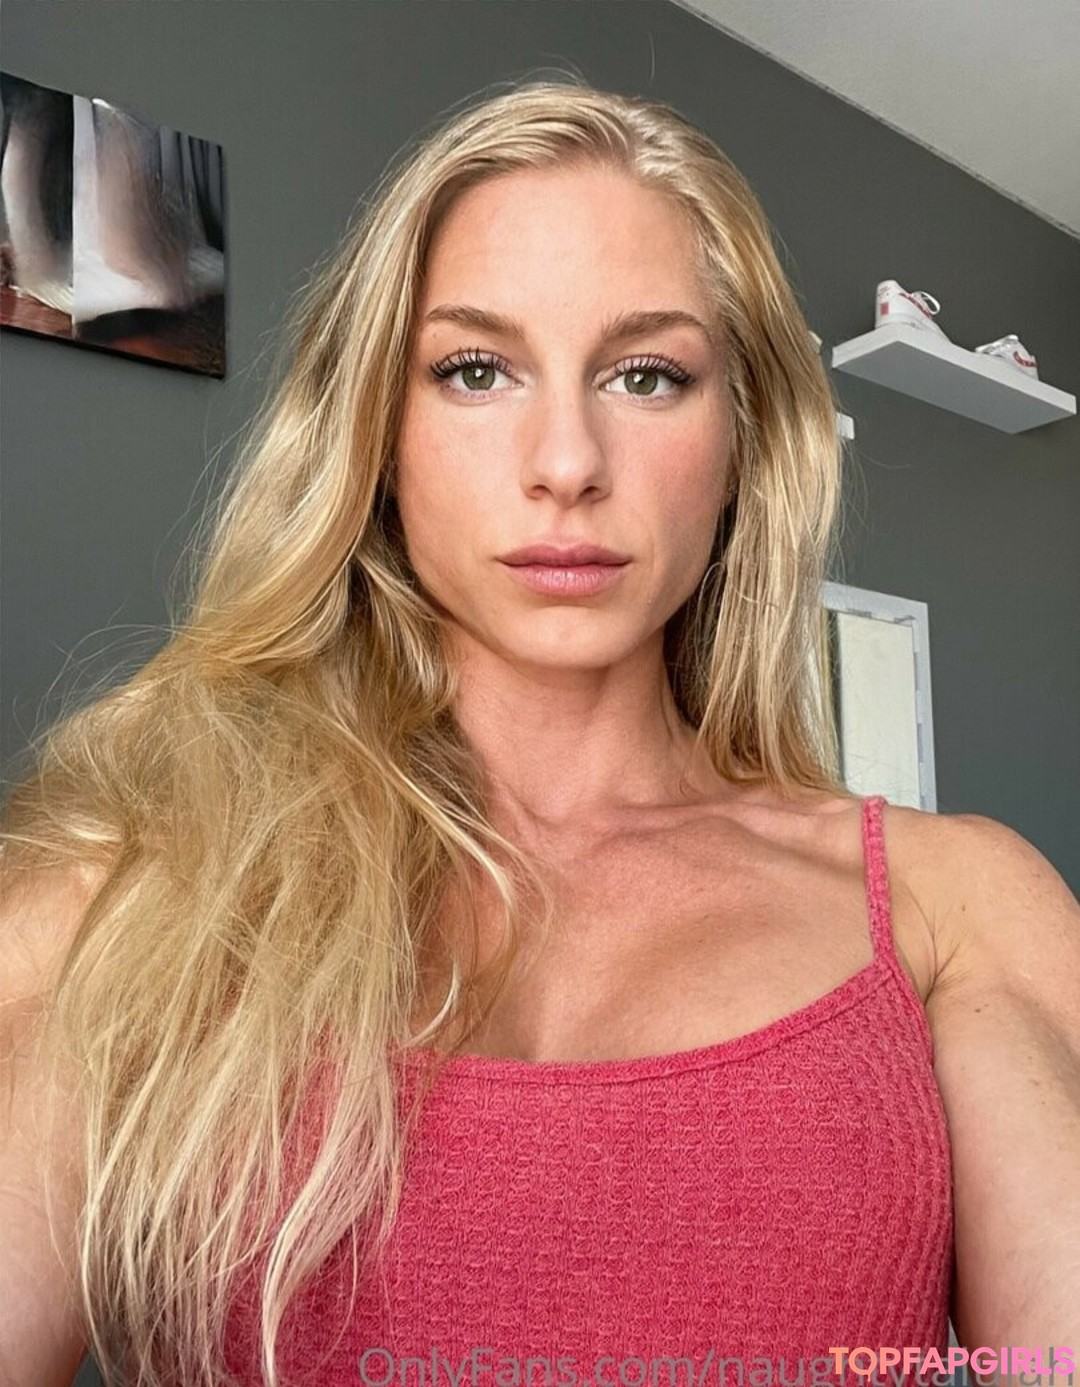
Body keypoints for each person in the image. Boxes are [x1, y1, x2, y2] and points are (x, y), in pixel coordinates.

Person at [1, 75, 1077, 1387]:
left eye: (647, 375)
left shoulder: (959, 907)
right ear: (378, 434)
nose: (567, 462)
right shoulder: (133, 893)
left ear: (743, 441)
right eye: (475, 370)